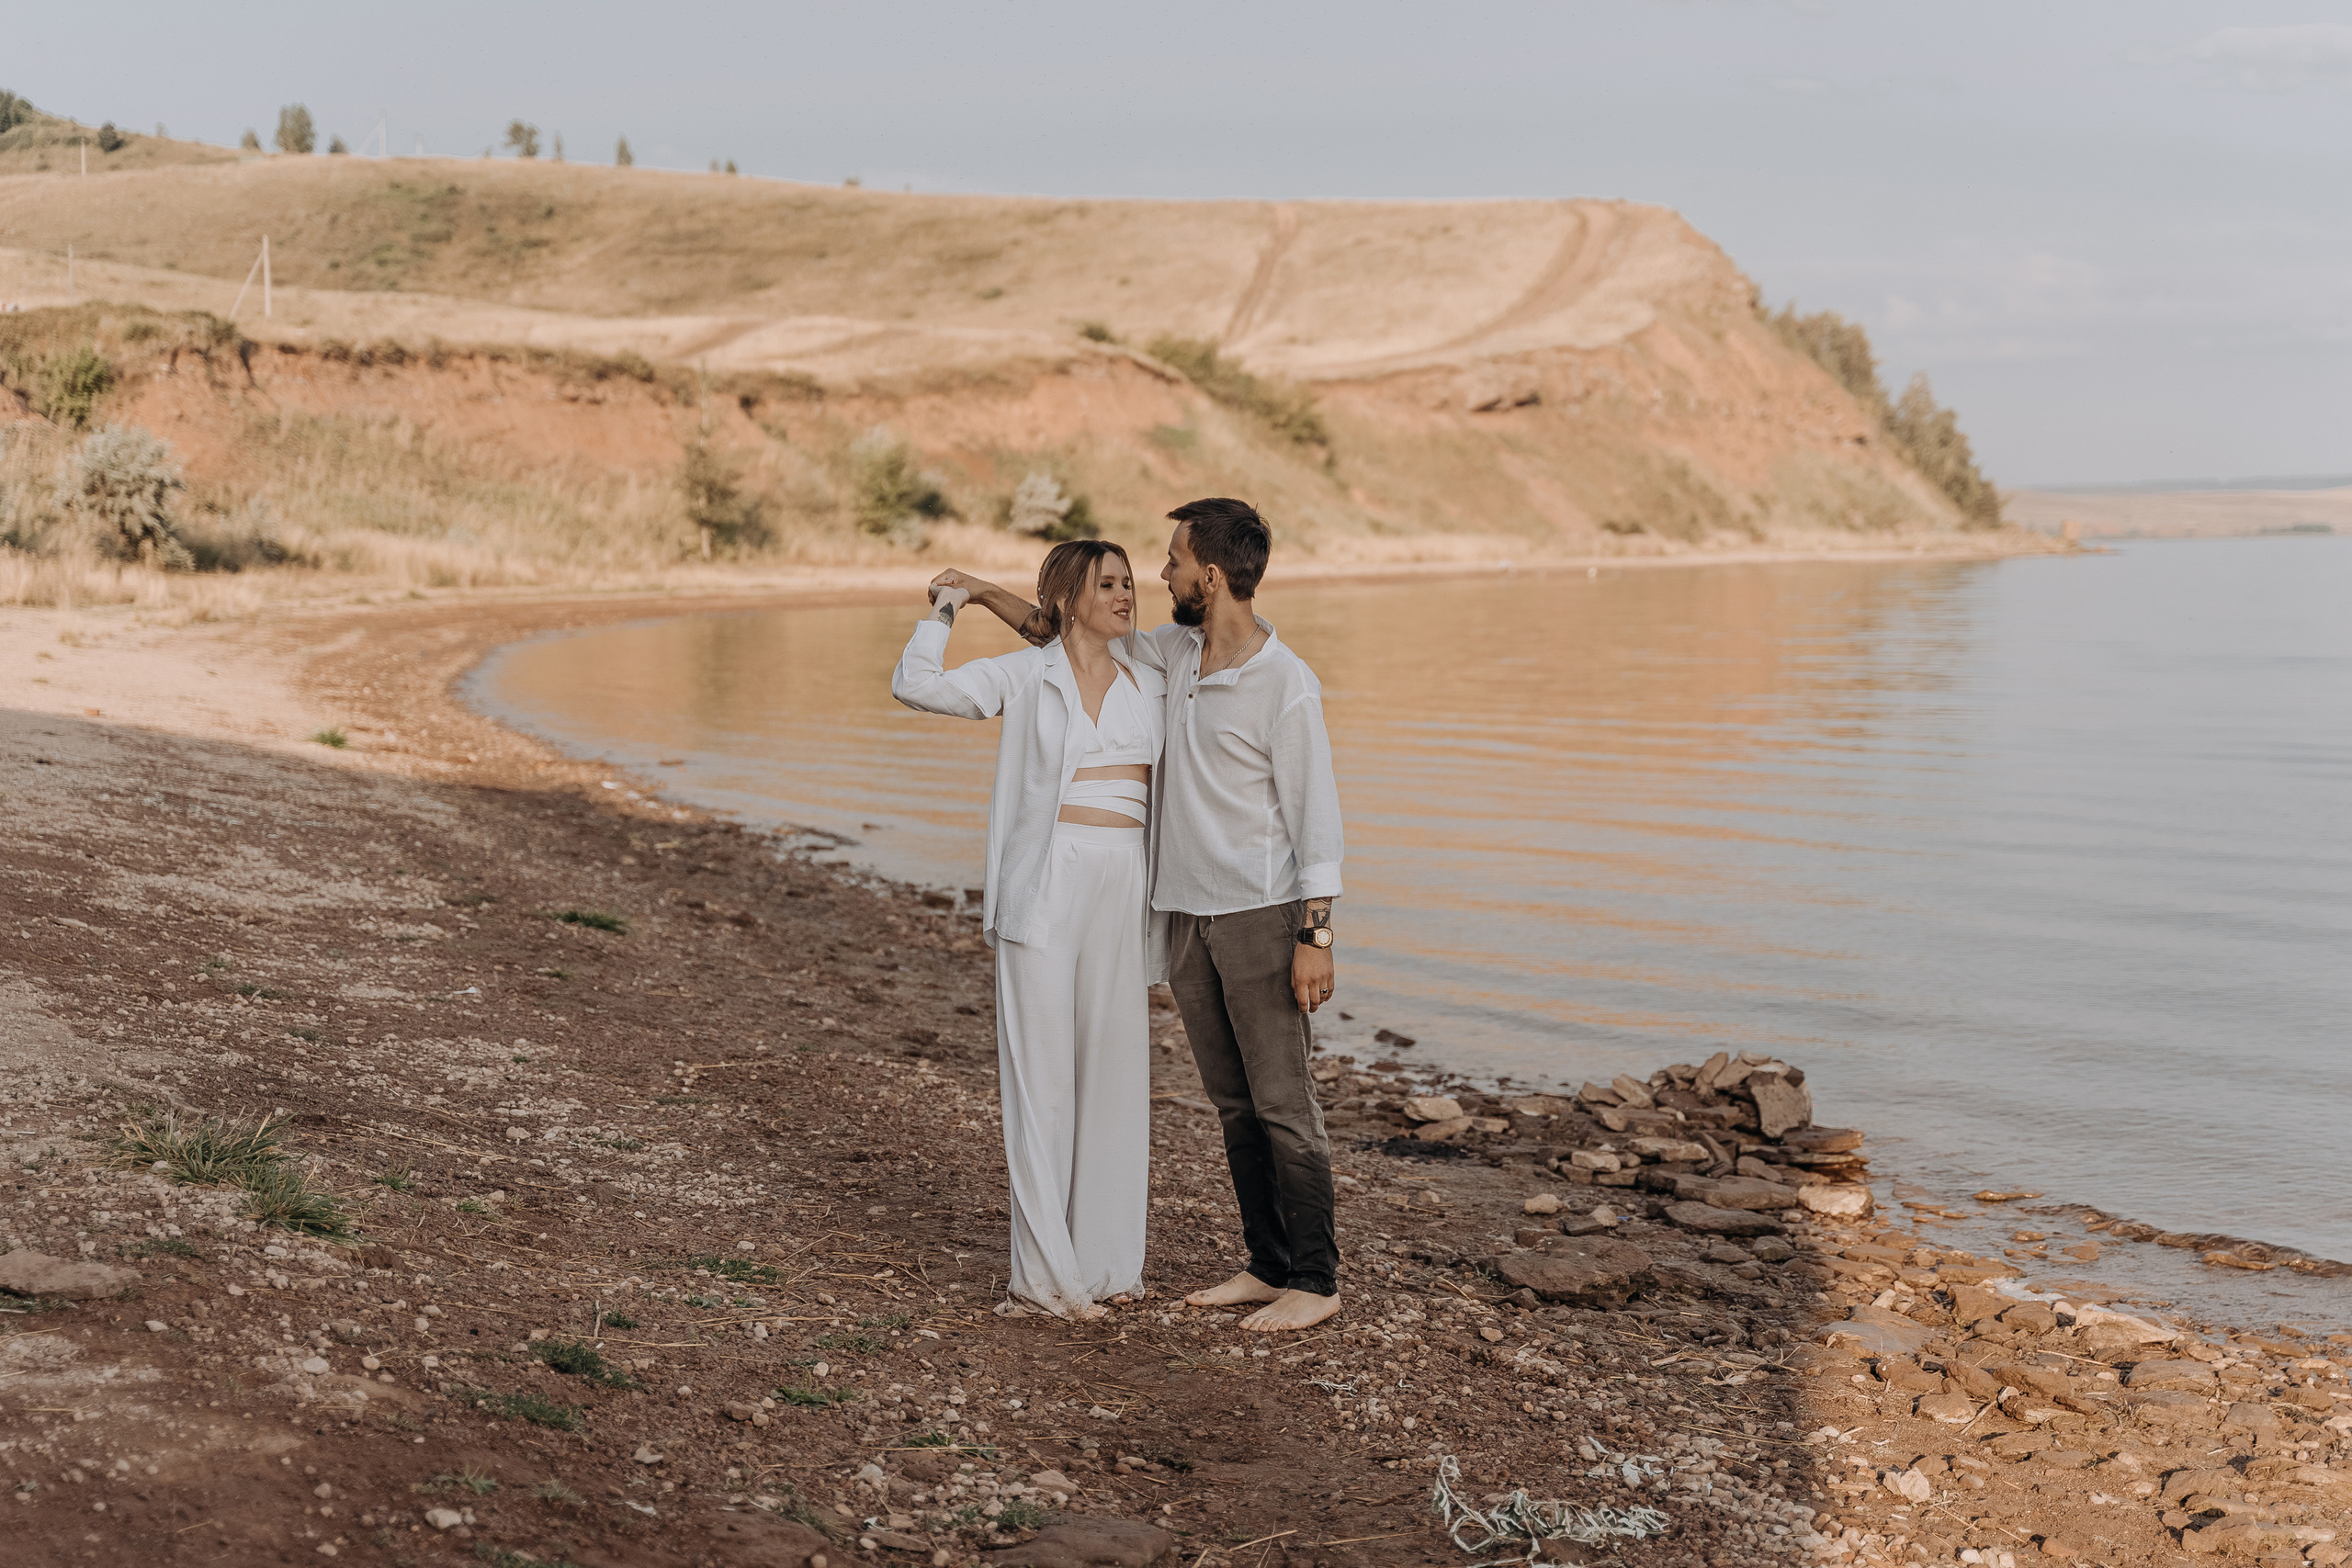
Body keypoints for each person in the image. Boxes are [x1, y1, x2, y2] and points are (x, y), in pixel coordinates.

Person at [933, 497, 1346, 1334]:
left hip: (1262, 915)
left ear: (1213, 575)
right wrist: (979, 592)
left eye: (1173, 562)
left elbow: (1318, 821)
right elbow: (1062, 634)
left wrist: (1316, 934)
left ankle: (1316, 1277)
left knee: (1283, 1103)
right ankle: (1267, 1266)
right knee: (1234, 1105)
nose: (1162, 576)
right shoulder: (1172, 655)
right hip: (1185, 918)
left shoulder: (1285, 682)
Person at [890, 539, 1167, 1320]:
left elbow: (1049, 621)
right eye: (1106, 584)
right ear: (1069, 597)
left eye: (1129, 582)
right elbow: (915, 685)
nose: (1124, 594)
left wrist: (988, 589)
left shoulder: (1149, 676)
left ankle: (1107, 1265)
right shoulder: (1027, 675)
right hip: (1046, 884)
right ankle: (1043, 1278)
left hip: (1123, 886)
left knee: (1112, 1077)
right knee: (1041, 1081)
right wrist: (950, 607)